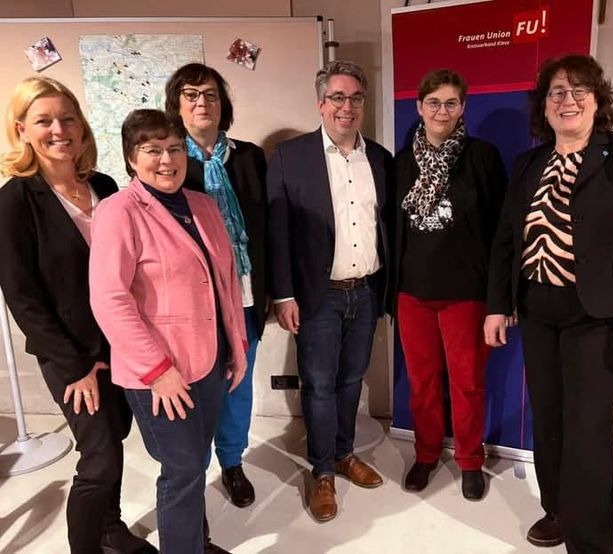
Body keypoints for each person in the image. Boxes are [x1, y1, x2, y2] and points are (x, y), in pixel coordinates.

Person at [484, 54, 613, 553]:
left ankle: (590, 543)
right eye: (557, 92)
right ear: (544, 105)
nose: (567, 100)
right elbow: (506, 238)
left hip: (599, 315)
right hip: (538, 310)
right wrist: (497, 305)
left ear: (597, 100)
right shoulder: (528, 164)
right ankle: (558, 510)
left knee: (587, 429)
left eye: (579, 91)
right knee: (549, 421)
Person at [0, 77, 156, 554]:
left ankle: (111, 529)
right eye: (44, 120)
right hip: (70, 355)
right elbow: (23, 298)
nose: (58, 130)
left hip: (119, 343)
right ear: (22, 130)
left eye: (67, 119)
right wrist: (76, 367)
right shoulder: (13, 201)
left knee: (118, 435)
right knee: (100, 457)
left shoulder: (103, 186)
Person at [89, 109, 247, 554]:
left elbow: (225, 280)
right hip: (160, 373)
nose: (166, 159)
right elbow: (109, 299)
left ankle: (197, 541)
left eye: (175, 148)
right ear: (131, 158)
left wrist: (237, 346)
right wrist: (158, 371)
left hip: (209, 360)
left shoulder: (203, 205)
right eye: (152, 150)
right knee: (182, 471)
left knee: (196, 463)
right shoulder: (118, 211)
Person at [267, 60, 393, 522]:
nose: (347, 107)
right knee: (319, 385)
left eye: (356, 98)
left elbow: (388, 228)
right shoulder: (290, 156)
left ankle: (343, 453)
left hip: (367, 291)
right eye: (337, 97)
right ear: (321, 103)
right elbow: (277, 232)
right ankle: (322, 471)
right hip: (317, 296)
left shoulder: (380, 159)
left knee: (351, 380)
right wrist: (283, 294)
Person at [393, 69, 507, 500]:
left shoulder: (482, 157)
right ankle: (425, 453)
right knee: (421, 382)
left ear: (463, 108)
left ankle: (470, 460)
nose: (442, 111)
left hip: (467, 294)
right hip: (413, 293)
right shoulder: (402, 163)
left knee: (467, 383)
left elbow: (502, 232)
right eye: (434, 102)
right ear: (419, 107)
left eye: (451, 103)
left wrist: (499, 298)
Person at [164, 62, 267, 509]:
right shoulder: (169, 163)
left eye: (210, 94)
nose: (201, 102)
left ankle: (232, 462)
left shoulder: (249, 157)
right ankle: (193, 474)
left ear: (223, 104)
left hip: (245, 293)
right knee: (200, 390)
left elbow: (265, 228)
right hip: (195, 303)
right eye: (190, 95)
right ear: (176, 105)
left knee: (238, 386)